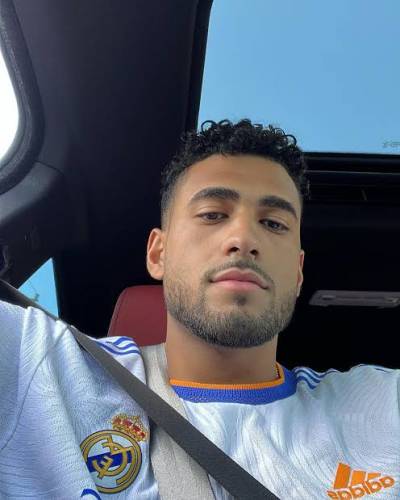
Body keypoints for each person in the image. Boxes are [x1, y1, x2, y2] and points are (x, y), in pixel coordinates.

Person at [0, 119, 398, 499]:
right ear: (158, 253)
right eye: (212, 215)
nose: (243, 238)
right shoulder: (41, 368)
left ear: (297, 273)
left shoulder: (381, 404)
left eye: (274, 223)